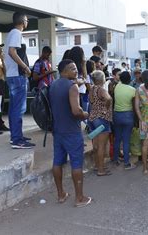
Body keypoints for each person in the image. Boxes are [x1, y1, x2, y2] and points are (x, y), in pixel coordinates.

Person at [49, 59, 92, 207]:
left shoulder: (53, 85)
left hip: (57, 130)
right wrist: (85, 114)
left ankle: (61, 194)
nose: (76, 71)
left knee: (57, 162)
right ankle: (79, 198)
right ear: (64, 71)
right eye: (73, 69)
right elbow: (75, 111)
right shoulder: (72, 86)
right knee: (76, 163)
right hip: (71, 131)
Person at [4, 12, 34, 149]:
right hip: (17, 76)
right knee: (18, 109)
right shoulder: (17, 33)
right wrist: (26, 67)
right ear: (23, 21)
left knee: (13, 108)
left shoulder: (11, 33)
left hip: (12, 75)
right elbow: (12, 51)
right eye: (27, 20)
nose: (27, 22)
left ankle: (15, 136)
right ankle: (17, 140)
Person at [88, 70, 113, 176]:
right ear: (102, 79)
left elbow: (92, 102)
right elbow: (108, 99)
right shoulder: (101, 89)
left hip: (93, 118)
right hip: (102, 119)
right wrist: (105, 109)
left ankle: (97, 165)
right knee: (102, 145)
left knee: (96, 144)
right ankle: (101, 170)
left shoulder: (92, 89)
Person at [113, 71, 137, 170]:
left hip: (117, 115)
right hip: (128, 115)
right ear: (129, 79)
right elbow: (135, 106)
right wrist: (136, 119)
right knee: (126, 140)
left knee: (117, 139)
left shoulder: (117, 87)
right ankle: (126, 163)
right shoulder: (133, 90)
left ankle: (116, 159)